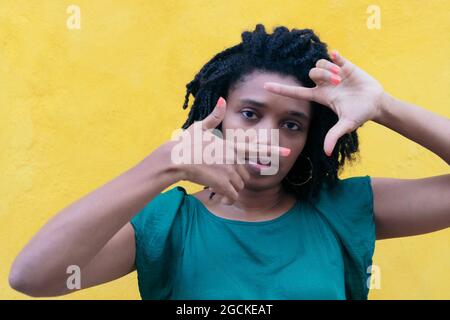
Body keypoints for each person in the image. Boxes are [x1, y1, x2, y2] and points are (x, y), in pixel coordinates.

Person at [9, 24, 450, 300]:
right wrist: (164, 164)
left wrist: (384, 106)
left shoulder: (340, 208)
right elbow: (33, 277)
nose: (267, 138)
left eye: (293, 125)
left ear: (309, 140)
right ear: (214, 114)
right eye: (250, 114)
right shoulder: (169, 223)